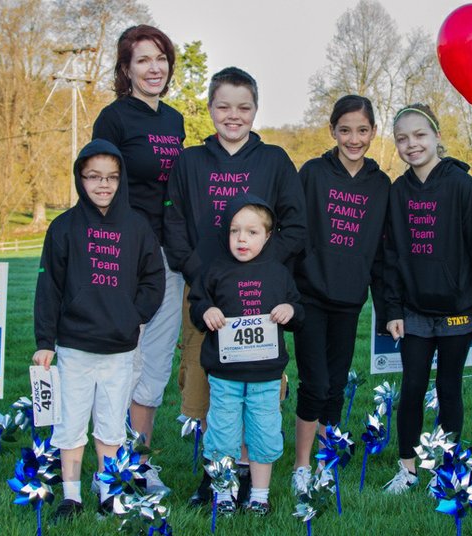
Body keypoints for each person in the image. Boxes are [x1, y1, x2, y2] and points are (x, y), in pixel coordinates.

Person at [164, 66, 306, 505]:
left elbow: (295, 225)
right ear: (210, 109)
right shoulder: (190, 161)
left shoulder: (275, 160)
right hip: (209, 297)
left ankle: (249, 471)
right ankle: (217, 472)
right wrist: (198, 274)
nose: (233, 115)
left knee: (258, 385)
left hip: (261, 299)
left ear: (255, 110)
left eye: (243, 107)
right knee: (209, 382)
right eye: (223, 106)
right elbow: (174, 225)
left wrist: (263, 271)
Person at [32, 138, 165, 520]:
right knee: (70, 424)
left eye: (111, 177)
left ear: (121, 179)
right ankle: (71, 496)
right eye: (93, 177)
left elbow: (154, 279)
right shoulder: (64, 227)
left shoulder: (137, 226)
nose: (103, 185)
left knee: (110, 426)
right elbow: (49, 287)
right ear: (80, 178)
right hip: (74, 348)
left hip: (120, 349)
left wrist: (132, 315)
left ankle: (108, 493)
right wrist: (45, 341)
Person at [382, 103, 472, 494]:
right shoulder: (397, 192)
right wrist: (392, 308)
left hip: (458, 311)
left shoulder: (460, 185)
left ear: (436, 137)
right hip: (415, 313)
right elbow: (389, 256)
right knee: (413, 387)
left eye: (419, 135)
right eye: (402, 138)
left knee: (449, 387)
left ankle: (447, 465)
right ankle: (408, 470)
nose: (411, 144)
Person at [92, 24, 185, 494]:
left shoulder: (174, 121)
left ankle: (140, 462)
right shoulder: (113, 119)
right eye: (144, 60)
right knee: (119, 362)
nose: (155, 68)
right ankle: (108, 467)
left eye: (161, 58)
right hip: (126, 258)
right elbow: (99, 189)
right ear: (126, 69)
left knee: (154, 365)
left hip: (168, 260)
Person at [290, 95, 391, 495]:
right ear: (332, 130)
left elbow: (383, 253)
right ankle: (301, 466)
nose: (354, 138)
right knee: (313, 383)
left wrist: (385, 307)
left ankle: (325, 462)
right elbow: (293, 231)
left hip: (350, 300)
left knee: (335, 386)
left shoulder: (381, 185)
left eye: (362, 130)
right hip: (309, 296)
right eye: (345, 130)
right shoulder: (313, 173)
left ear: (373, 133)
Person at [188, 195, 304, 516]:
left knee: (263, 433)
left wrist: (289, 309)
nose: (242, 239)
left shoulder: (279, 274)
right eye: (235, 231)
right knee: (223, 432)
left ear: (268, 236)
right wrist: (206, 309)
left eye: (252, 232)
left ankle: (259, 496)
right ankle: (224, 493)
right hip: (224, 375)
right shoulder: (214, 272)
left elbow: (299, 312)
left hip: (265, 376)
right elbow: (197, 305)